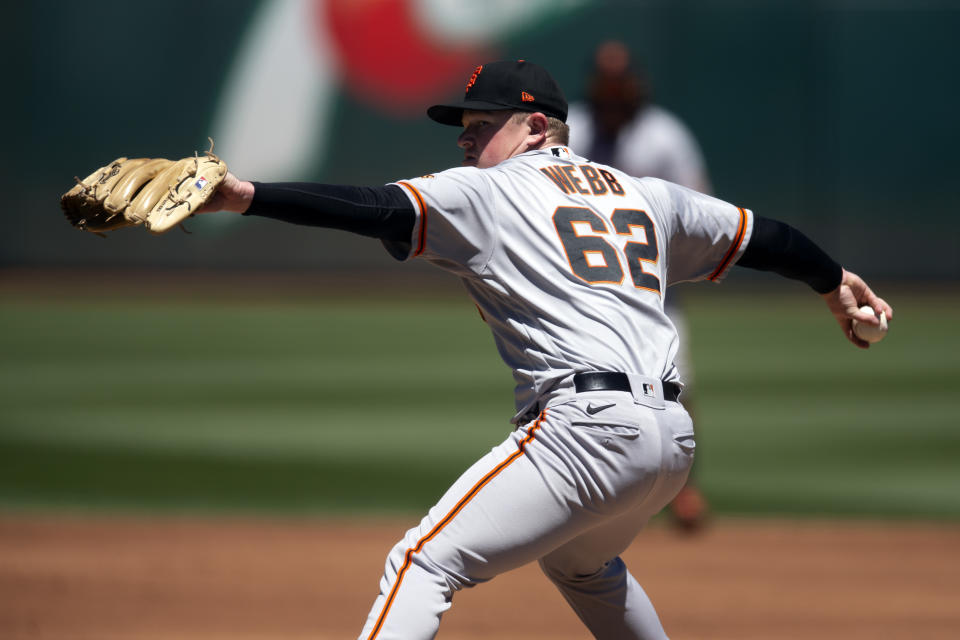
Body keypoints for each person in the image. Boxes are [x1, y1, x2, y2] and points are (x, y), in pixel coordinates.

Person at [198, 60, 892, 640]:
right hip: (672, 444)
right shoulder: (644, 194)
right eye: (463, 130)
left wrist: (242, 196)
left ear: (535, 126)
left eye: (480, 125)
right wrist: (834, 285)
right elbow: (767, 237)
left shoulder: (488, 192)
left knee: (422, 562)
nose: (466, 142)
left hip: (586, 434)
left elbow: (371, 206)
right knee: (583, 566)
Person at [566, 40, 714, 531]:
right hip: (585, 291)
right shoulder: (574, 132)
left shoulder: (665, 136)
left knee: (679, 383)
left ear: (635, 86)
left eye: (620, 83)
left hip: (655, 291)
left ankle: (684, 489)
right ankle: (588, 489)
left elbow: (701, 211)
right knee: (577, 385)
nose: (613, 93)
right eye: (605, 84)